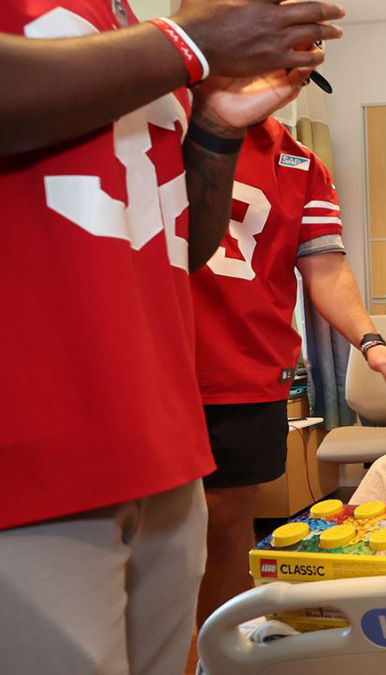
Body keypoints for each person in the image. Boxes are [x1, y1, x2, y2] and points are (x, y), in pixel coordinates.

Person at [0, 0, 344, 672]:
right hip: (39, 444)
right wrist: (187, 44)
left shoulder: (124, 22)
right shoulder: (150, 44)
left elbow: (186, 244)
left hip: (160, 437)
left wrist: (215, 126)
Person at [192, 116, 386, 625]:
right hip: (156, 358)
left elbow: (326, 268)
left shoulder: (301, 164)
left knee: (227, 520)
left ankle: (222, 654)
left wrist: (371, 342)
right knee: (141, 527)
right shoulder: (162, 122)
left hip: (246, 363)